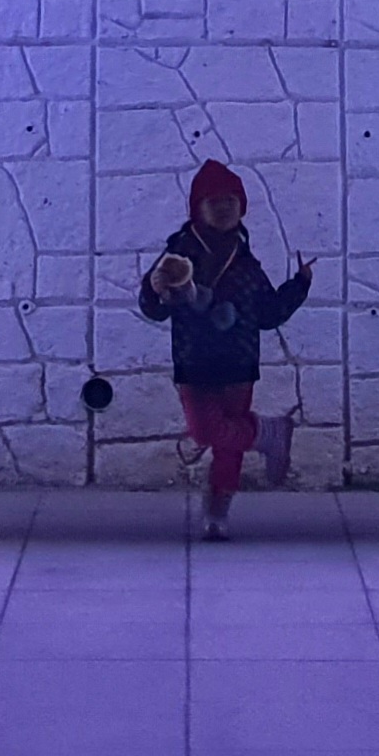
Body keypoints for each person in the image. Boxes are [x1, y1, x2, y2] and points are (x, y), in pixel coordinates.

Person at [137, 157, 313, 540]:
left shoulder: (246, 260)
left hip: (239, 362)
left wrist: (299, 285)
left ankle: (218, 511)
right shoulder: (178, 254)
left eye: (231, 201)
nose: (224, 208)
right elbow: (154, 309)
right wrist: (153, 289)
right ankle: (268, 433)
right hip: (195, 362)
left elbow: (268, 314)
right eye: (214, 201)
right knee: (204, 431)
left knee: (227, 447)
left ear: (242, 207)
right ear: (197, 208)